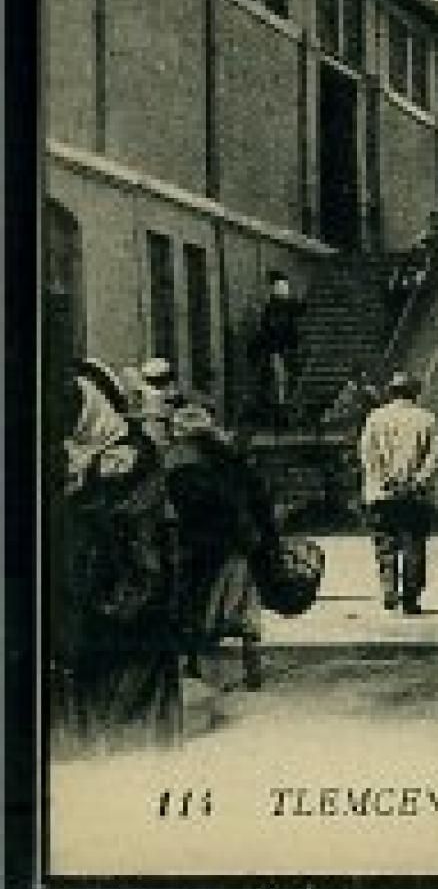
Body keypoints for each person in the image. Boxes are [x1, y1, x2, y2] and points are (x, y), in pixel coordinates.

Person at [48, 359, 184, 756]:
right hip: (92, 616)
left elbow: (142, 548)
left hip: (125, 613)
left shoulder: (127, 459)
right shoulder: (83, 460)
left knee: (131, 730)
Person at [163, 401, 279, 690]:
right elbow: (259, 504)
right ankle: (251, 669)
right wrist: (267, 541)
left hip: (195, 546)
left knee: (194, 604)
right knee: (244, 608)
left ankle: (194, 666)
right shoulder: (233, 463)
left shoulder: (175, 468)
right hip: (236, 544)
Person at [358, 372, 438, 616]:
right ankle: (410, 598)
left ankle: (389, 591)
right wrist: (416, 481)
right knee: (413, 544)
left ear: (391, 392)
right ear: (415, 392)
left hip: (382, 494)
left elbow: (367, 454)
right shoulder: (427, 419)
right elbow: (435, 457)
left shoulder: (375, 419)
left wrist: (385, 479)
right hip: (416, 496)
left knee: (385, 544)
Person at [247, 272, 305, 427]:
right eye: (279, 287)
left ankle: (284, 409)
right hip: (277, 350)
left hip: (287, 349)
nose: (282, 289)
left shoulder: (291, 307)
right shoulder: (272, 309)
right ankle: (281, 410)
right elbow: (267, 330)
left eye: (283, 287)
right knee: (279, 380)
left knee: (286, 380)